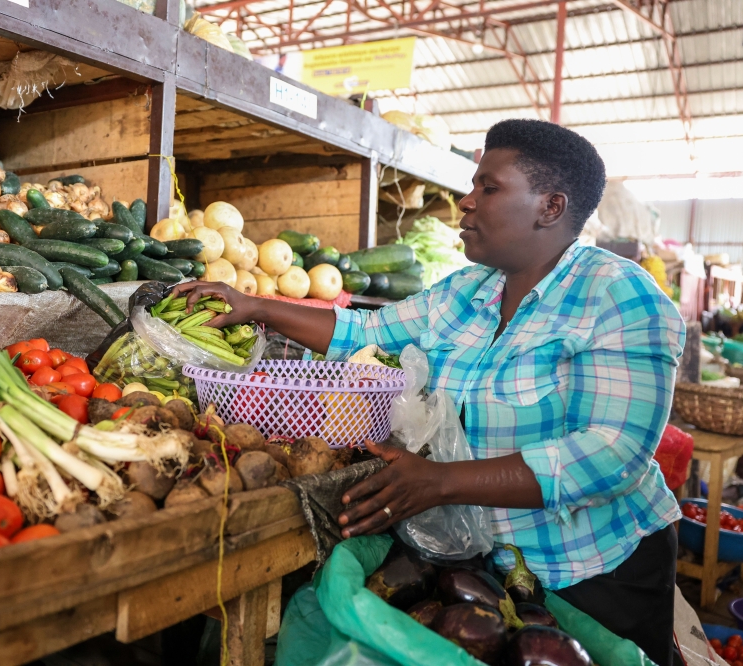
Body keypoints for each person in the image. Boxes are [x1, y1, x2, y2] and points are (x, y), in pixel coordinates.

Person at [174, 118, 685, 665]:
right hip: (490, 566)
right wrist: (256, 306)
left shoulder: (618, 296)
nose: (466, 202)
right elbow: (363, 332)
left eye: (489, 188)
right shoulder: (471, 289)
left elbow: (612, 455)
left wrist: (442, 482)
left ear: (550, 208)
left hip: (591, 569)